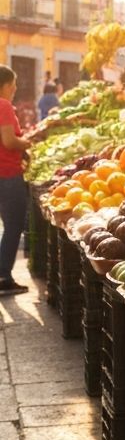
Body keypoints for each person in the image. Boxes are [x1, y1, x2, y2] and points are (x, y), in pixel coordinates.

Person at [0, 66, 29, 294]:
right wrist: (27, 143)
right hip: (7, 174)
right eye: (13, 85)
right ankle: (3, 277)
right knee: (14, 226)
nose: (15, 89)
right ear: (5, 86)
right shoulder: (3, 105)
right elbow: (9, 141)